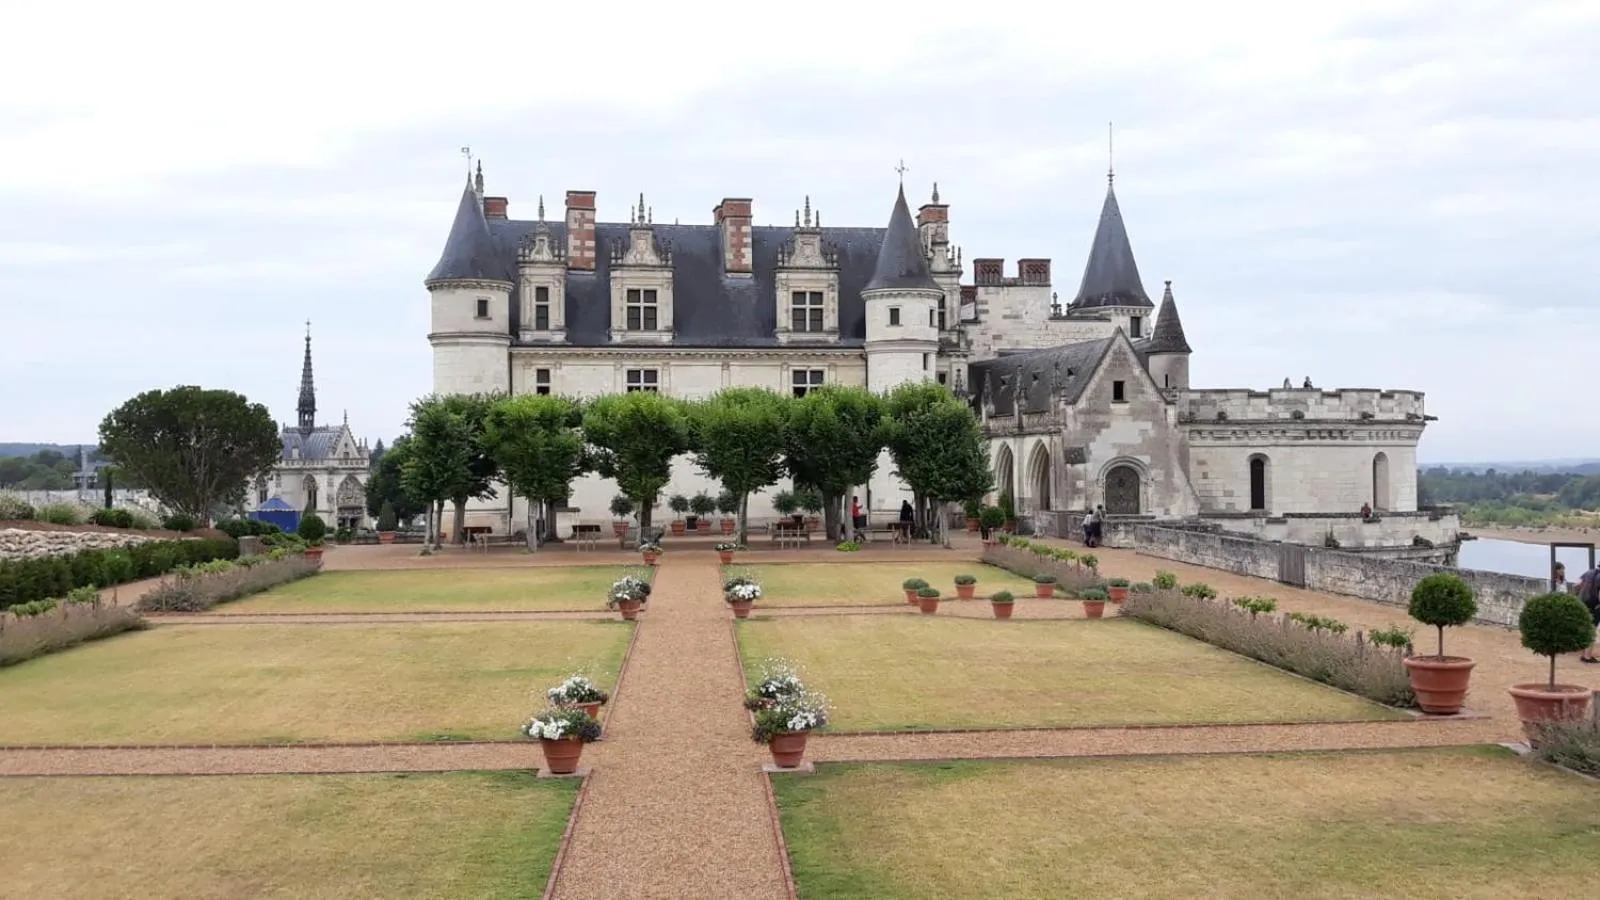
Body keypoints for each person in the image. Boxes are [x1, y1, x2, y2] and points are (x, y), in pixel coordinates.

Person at [1578, 564, 1600, 663]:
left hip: (1583, 603)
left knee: (1585, 629)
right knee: (1592, 630)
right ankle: (1588, 656)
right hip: (1595, 606)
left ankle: (1583, 654)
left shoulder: (1588, 572)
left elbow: (1576, 584)